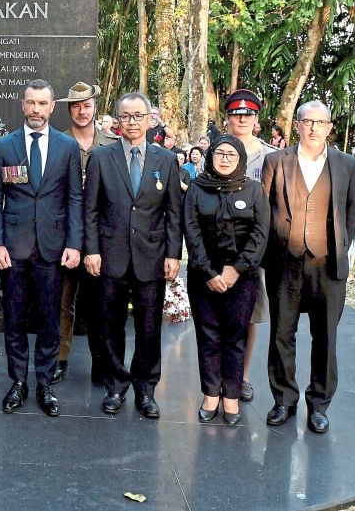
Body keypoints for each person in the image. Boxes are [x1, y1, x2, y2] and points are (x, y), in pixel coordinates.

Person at [260, 100, 355, 434]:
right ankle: (283, 400)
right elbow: (265, 209)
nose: (314, 127)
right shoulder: (277, 161)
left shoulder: (348, 165)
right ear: (297, 125)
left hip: (328, 264)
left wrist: (340, 245)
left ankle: (319, 404)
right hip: (284, 262)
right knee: (281, 333)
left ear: (330, 127)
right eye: (307, 121)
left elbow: (352, 210)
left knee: (326, 337)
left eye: (320, 122)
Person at [0, 79, 83, 418]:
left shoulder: (67, 147)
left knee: (50, 320)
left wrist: (74, 243)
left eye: (42, 103)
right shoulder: (4, 145)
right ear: (22, 104)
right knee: (13, 319)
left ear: (52, 106)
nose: (36, 109)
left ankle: (44, 383)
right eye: (31, 102)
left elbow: (74, 197)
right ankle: (17, 382)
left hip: (53, 249)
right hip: (13, 249)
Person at [83, 92, 183, 420]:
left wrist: (173, 254)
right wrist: (91, 250)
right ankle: (115, 386)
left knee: (149, 327)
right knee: (110, 326)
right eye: (126, 116)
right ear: (117, 121)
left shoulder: (166, 160)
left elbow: (174, 212)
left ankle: (146, 389)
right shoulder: (101, 157)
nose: (132, 122)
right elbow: (90, 210)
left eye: (138, 115)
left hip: (151, 256)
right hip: (110, 255)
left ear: (150, 119)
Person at [183, 135, 270, 426]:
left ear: (240, 159)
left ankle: (231, 395)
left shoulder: (254, 190)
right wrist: (209, 273)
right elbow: (191, 232)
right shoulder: (197, 188)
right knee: (208, 336)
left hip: (241, 277)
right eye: (219, 153)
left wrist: (236, 270)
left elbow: (260, 233)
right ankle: (210, 394)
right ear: (210, 156)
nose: (224, 159)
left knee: (235, 336)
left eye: (231, 154)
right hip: (203, 276)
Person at [51, 82, 115, 385]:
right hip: (65, 234)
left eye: (86, 105)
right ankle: (60, 358)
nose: (81, 111)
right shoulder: (57, 143)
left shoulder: (111, 144)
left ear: (95, 107)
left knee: (100, 304)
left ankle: (100, 363)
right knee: (63, 301)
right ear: (68, 109)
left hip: (102, 236)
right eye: (75, 106)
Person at [219, 89, 280, 404]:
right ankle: (216, 375)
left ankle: (240, 377)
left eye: (248, 114)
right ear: (227, 118)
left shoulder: (270, 157)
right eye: (236, 114)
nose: (241, 119)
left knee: (250, 314)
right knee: (217, 313)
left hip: (254, 247)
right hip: (218, 245)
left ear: (256, 119)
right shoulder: (216, 151)